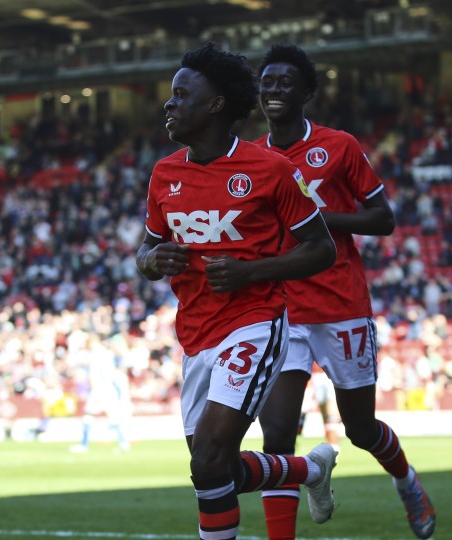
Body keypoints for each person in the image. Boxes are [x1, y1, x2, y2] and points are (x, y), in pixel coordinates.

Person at [135, 42, 339, 539]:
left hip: (255, 321)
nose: (170, 104)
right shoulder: (165, 174)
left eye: (182, 94)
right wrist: (153, 261)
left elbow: (322, 249)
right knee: (214, 469)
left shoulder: (269, 171)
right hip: (196, 333)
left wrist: (251, 272)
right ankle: (307, 471)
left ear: (215, 105)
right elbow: (146, 252)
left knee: (208, 458)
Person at [253, 44, 435, 540]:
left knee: (360, 430)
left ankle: (406, 480)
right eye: (266, 82)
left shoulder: (339, 147)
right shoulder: (251, 159)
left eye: (285, 82)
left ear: (307, 92)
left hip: (340, 305)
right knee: (277, 436)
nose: (274, 90)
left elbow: (384, 218)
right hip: (283, 309)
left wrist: (315, 217)